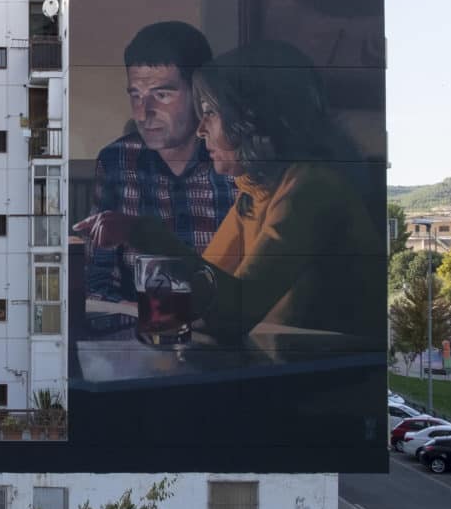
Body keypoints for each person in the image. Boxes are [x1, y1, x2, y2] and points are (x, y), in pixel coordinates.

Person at [75, 39, 384, 338]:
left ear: (252, 118)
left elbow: (233, 314)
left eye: (210, 111)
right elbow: (205, 299)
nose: (200, 129)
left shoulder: (313, 189)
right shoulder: (254, 193)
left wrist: (150, 237)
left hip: (335, 382)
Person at [84, 21, 235, 301]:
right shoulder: (116, 160)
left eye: (162, 95)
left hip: (224, 326)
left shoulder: (234, 163)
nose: (143, 113)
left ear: (200, 92)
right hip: (140, 325)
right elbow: (100, 279)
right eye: (136, 96)